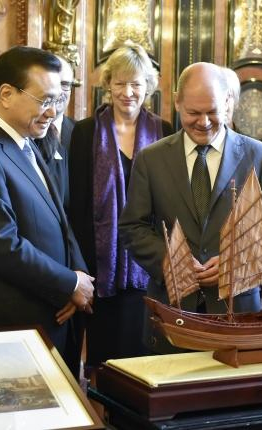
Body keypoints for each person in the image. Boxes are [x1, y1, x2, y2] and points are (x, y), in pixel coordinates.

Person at [118, 62, 262, 353]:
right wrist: (172, 261)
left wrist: (234, 261)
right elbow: (133, 227)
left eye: (212, 112)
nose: (204, 122)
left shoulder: (261, 156)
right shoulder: (150, 159)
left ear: (228, 103)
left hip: (238, 310)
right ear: (177, 103)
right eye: (193, 113)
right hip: (171, 310)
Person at [0, 46, 95, 378]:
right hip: (16, 321)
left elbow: (62, 218)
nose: (53, 112)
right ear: (6, 94)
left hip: (58, 312)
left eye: (57, 100)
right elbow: (2, 244)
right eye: (44, 100)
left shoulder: (28, 141)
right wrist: (68, 283)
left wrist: (78, 277)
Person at [68, 43, 174, 366]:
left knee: (145, 358)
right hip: (100, 267)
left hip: (149, 265)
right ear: (108, 84)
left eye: (136, 84)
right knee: (104, 360)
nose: (128, 92)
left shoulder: (164, 131)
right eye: (120, 83)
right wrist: (79, 267)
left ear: (148, 86)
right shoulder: (85, 132)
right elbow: (76, 205)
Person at [35, 54, 76, 208]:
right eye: (53, 83)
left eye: (65, 85)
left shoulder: (83, 133)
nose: (58, 92)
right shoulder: (24, 132)